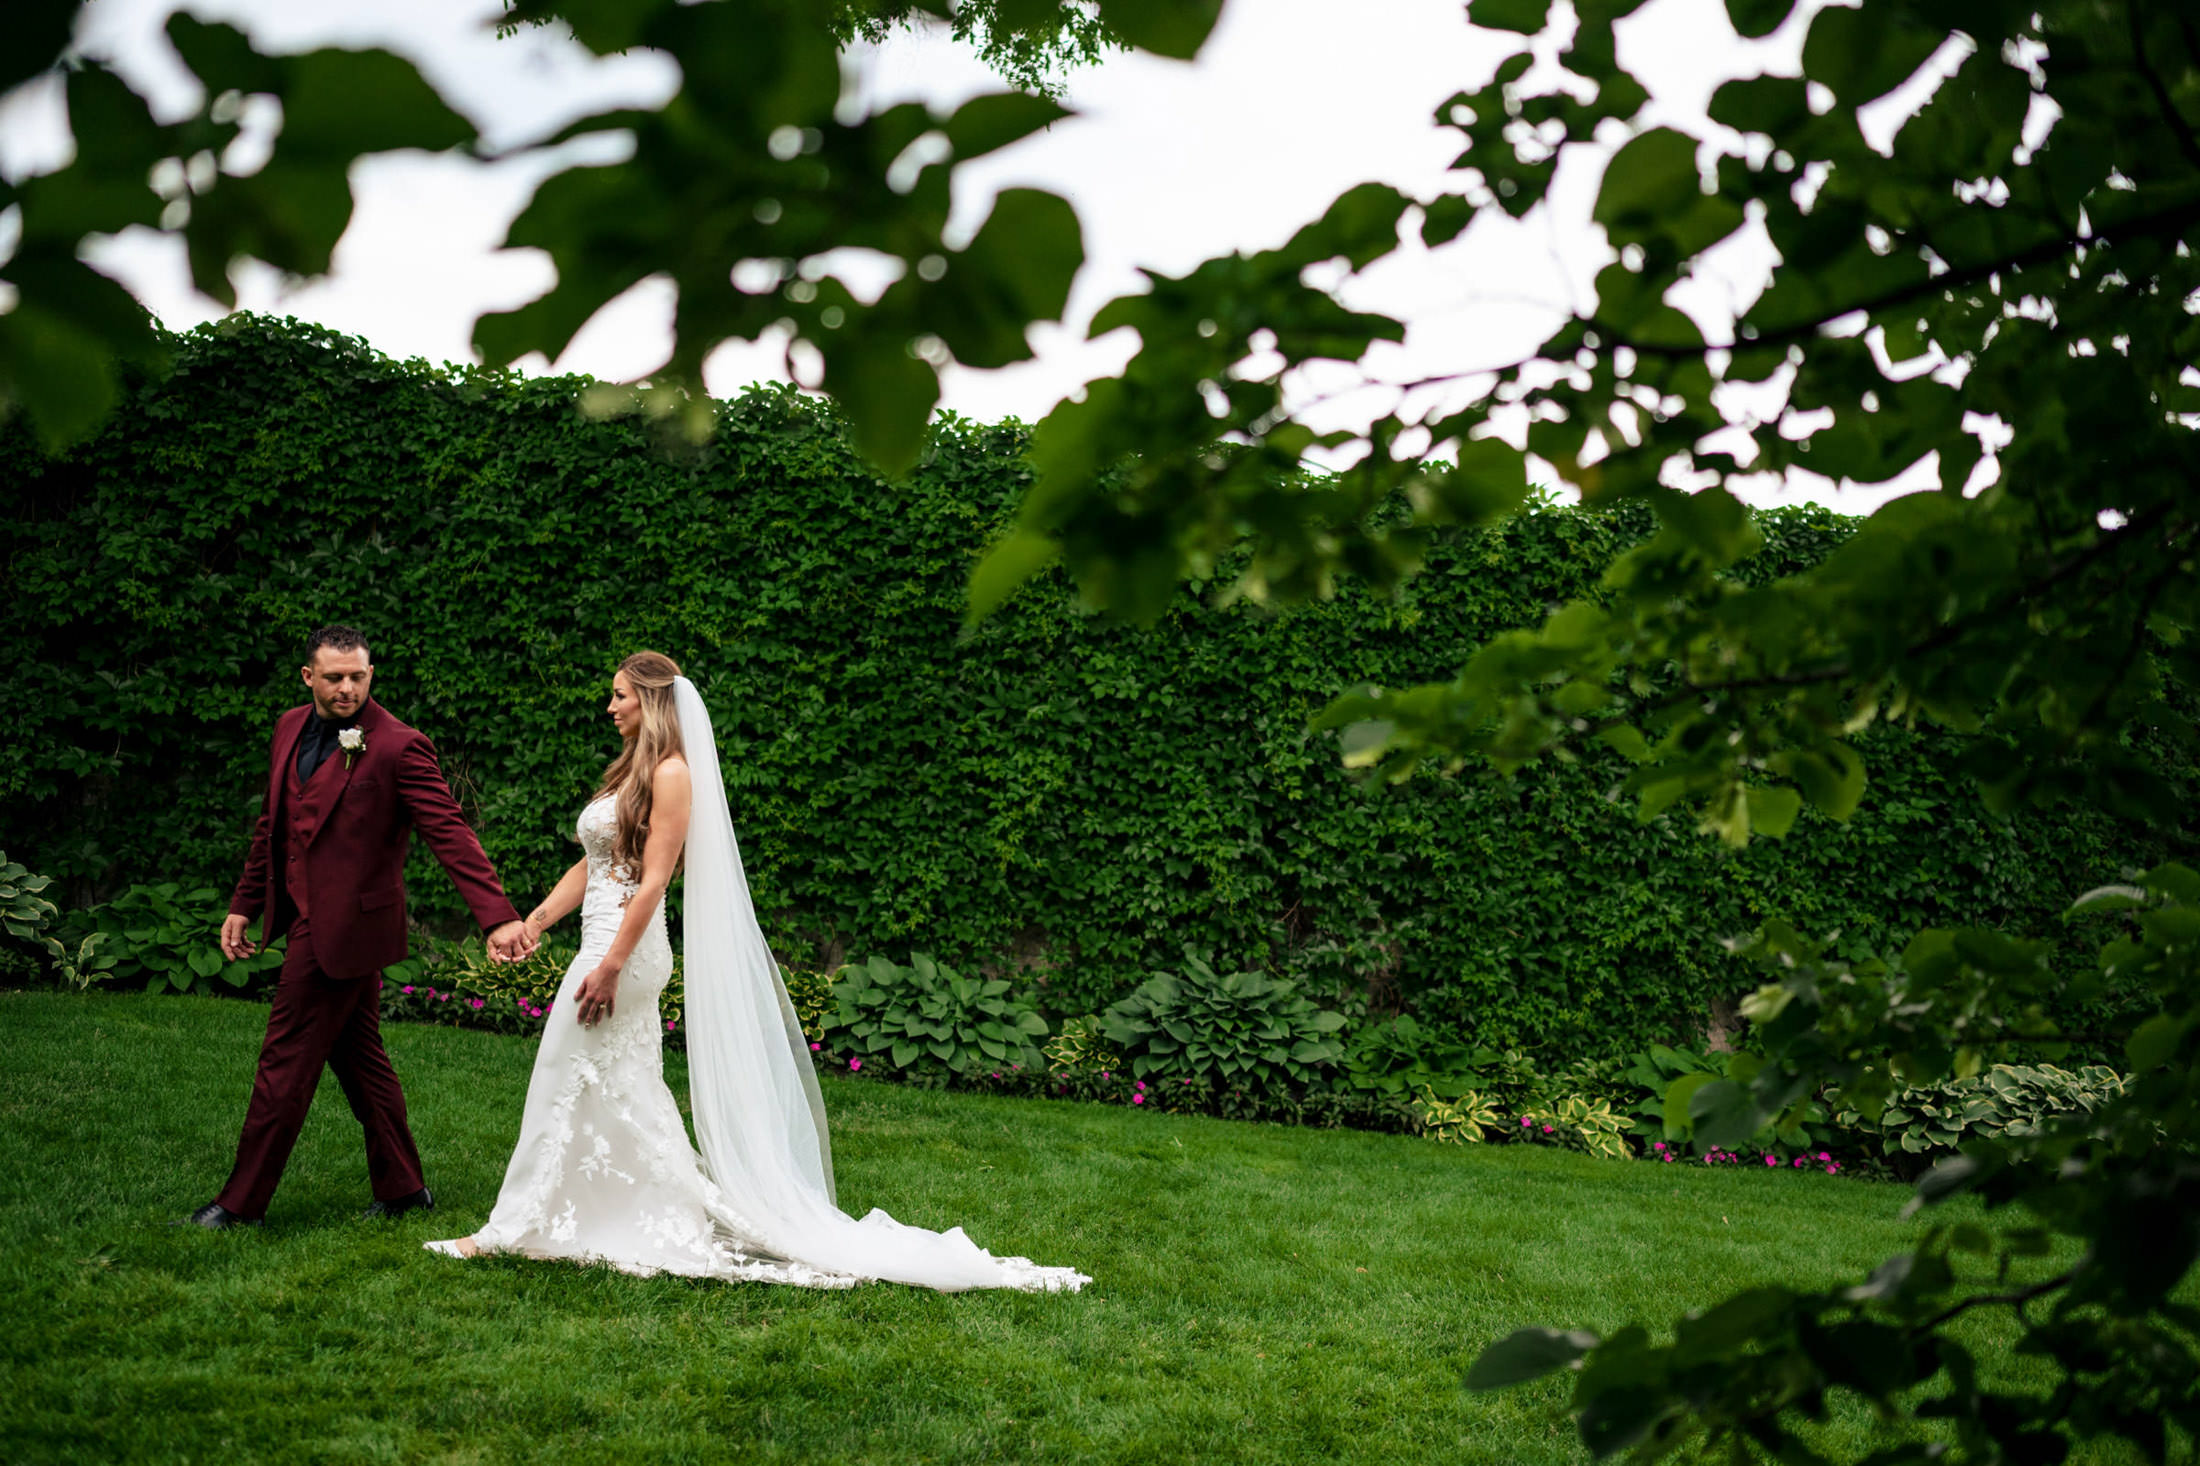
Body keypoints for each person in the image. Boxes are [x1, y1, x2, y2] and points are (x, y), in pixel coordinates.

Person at [427, 651, 1086, 1292]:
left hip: (624, 953)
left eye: (620, 694)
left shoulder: (674, 774)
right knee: (614, 1086)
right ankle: (587, 1216)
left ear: (651, 701)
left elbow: (654, 882)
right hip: (601, 944)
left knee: (563, 1072)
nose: (610, 706)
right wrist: (534, 922)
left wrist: (611, 966)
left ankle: (506, 1230)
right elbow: (596, 865)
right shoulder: (631, 769)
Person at [182, 625, 536, 1230]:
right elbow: (275, 824)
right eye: (334, 677)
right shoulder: (289, 727)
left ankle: (241, 1205)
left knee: (284, 1062)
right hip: (303, 917)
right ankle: (403, 1190)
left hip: (346, 930)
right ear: (308, 677)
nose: (348, 688)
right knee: (360, 1059)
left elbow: (449, 832)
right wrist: (245, 902)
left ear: (370, 674)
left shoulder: (400, 745)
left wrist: (498, 916)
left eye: (358, 677)